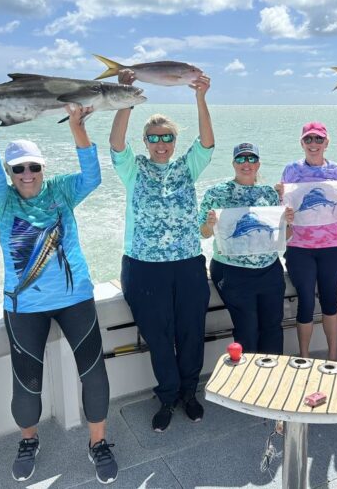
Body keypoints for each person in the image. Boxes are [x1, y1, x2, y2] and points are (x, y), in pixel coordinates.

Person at [0, 91, 117, 484]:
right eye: (18, 169)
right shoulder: (1, 201)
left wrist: (78, 128)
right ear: (10, 174)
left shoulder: (61, 192)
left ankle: (98, 443)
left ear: (43, 168)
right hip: (23, 306)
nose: (26, 175)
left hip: (75, 298)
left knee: (94, 375)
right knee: (27, 385)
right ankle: (29, 440)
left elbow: (92, 176)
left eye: (33, 167)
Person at [110, 70, 214, 433]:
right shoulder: (133, 169)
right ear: (146, 140)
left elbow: (207, 143)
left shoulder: (187, 166)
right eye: (154, 138)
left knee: (190, 331)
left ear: (173, 140)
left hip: (187, 264)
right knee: (157, 336)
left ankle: (189, 392)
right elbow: (116, 143)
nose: (161, 143)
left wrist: (200, 98)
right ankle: (167, 396)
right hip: (143, 267)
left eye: (167, 137)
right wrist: (125, 96)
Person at [200, 143, 294, 354]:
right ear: (233, 163)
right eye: (241, 159)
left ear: (258, 163)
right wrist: (210, 224)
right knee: (247, 330)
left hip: (269, 270)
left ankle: (271, 377)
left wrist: (289, 222)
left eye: (251, 159)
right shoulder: (216, 193)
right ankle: (248, 381)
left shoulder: (269, 194)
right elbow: (203, 233)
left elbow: (284, 236)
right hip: (232, 272)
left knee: (272, 328)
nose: (246, 164)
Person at [276, 122, 337, 360]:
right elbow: (284, 209)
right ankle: (303, 356)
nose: (314, 144)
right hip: (299, 248)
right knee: (305, 302)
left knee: (330, 300)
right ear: (302, 143)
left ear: (327, 143)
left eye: (318, 139)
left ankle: (333, 355)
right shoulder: (291, 170)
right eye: (309, 139)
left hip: (332, 247)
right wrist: (279, 200)